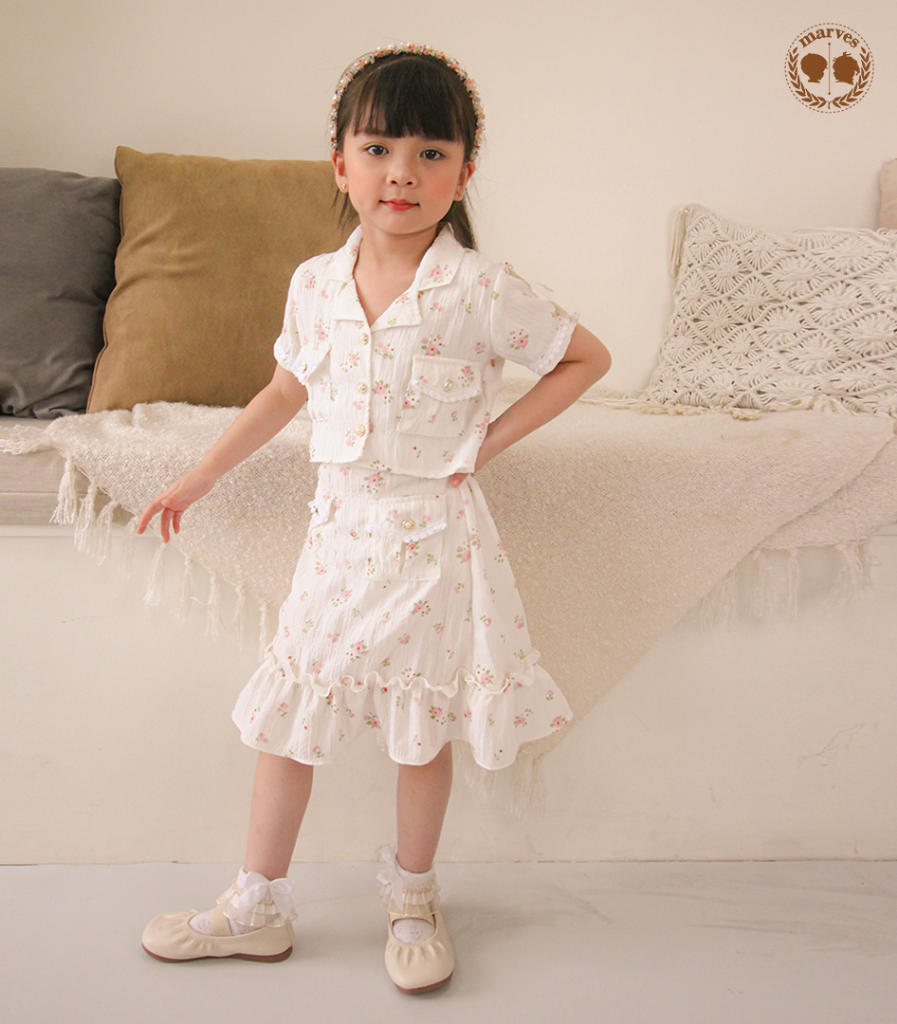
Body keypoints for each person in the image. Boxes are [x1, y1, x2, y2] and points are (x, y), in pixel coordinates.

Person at [137, 43, 611, 994]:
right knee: (290, 717)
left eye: (432, 153)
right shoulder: (315, 283)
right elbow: (284, 390)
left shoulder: (480, 289)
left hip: (434, 543)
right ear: (340, 164)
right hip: (339, 535)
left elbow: (583, 358)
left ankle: (413, 896)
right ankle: (257, 905)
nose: (403, 172)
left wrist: (484, 442)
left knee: (419, 727)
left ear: (463, 174)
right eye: (380, 148)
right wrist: (198, 477)